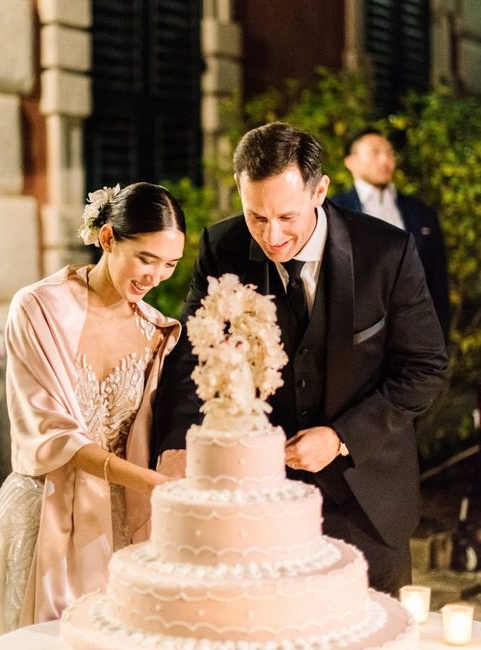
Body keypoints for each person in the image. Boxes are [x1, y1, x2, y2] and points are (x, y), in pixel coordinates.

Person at [152, 122, 448, 596]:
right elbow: (193, 356)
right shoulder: (221, 248)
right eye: (257, 217)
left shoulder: (386, 253)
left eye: (287, 217)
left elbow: (425, 368)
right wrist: (177, 441)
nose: (272, 237)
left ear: (321, 190)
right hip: (256, 496)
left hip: (366, 498)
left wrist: (341, 437)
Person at [0, 182, 185, 650]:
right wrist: (157, 485)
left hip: (125, 521)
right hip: (44, 509)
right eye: (146, 258)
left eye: (170, 265)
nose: (155, 276)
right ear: (108, 237)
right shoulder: (38, 308)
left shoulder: (158, 331)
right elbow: (51, 432)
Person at [332, 128, 450, 340]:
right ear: (351, 162)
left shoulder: (421, 212)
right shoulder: (333, 211)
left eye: (389, 153)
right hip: (354, 336)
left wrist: (440, 339)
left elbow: (438, 281)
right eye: (375, 152)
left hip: (414, 332)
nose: (386, 160)